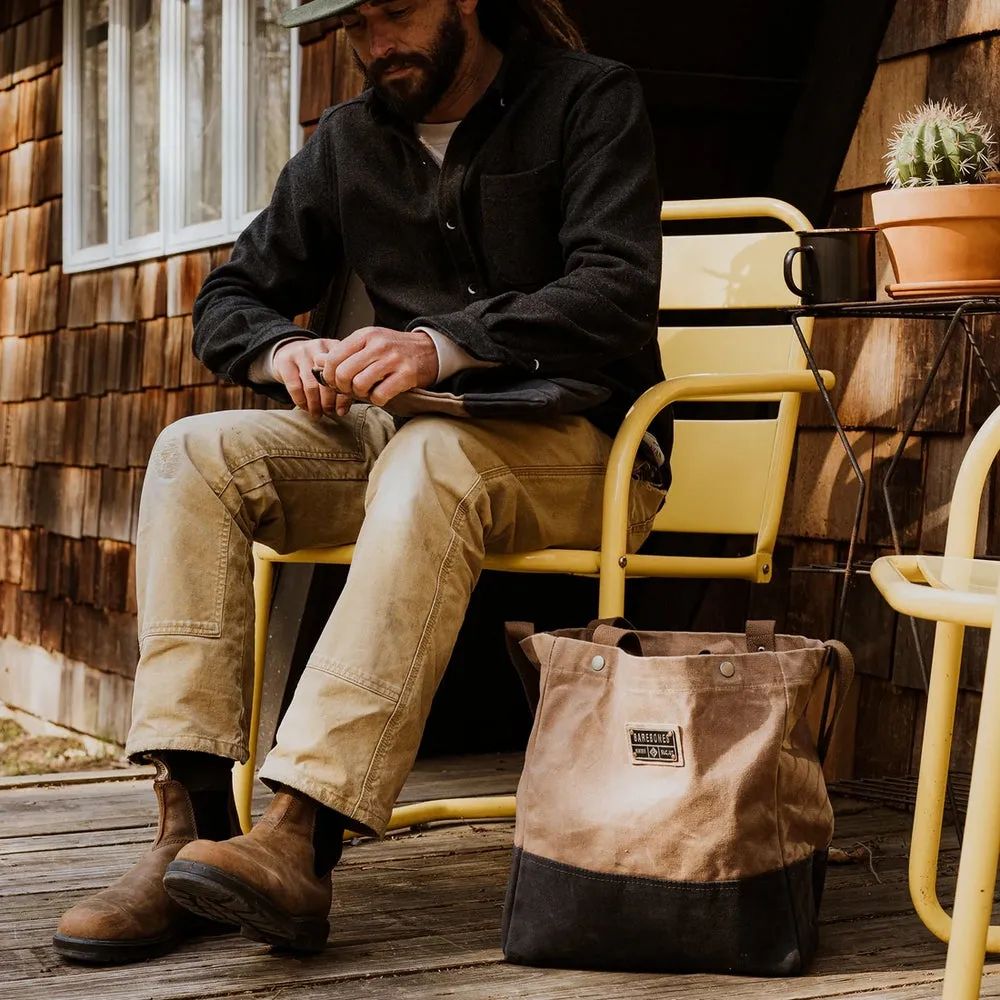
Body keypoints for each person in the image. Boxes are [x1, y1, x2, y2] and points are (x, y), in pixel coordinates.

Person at [53, 0, 671, 964]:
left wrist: (443, 345)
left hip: (589, 444)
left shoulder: (589, 98)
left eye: (396, 12)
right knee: (196, 454)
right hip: (416, 446)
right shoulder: (348, 140)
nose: (375, 43)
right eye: (356, 23)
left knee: (430, 453)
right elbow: (229, 297)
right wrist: (285, 348)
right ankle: (191, 833)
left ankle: (302, 833)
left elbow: (617, 289)